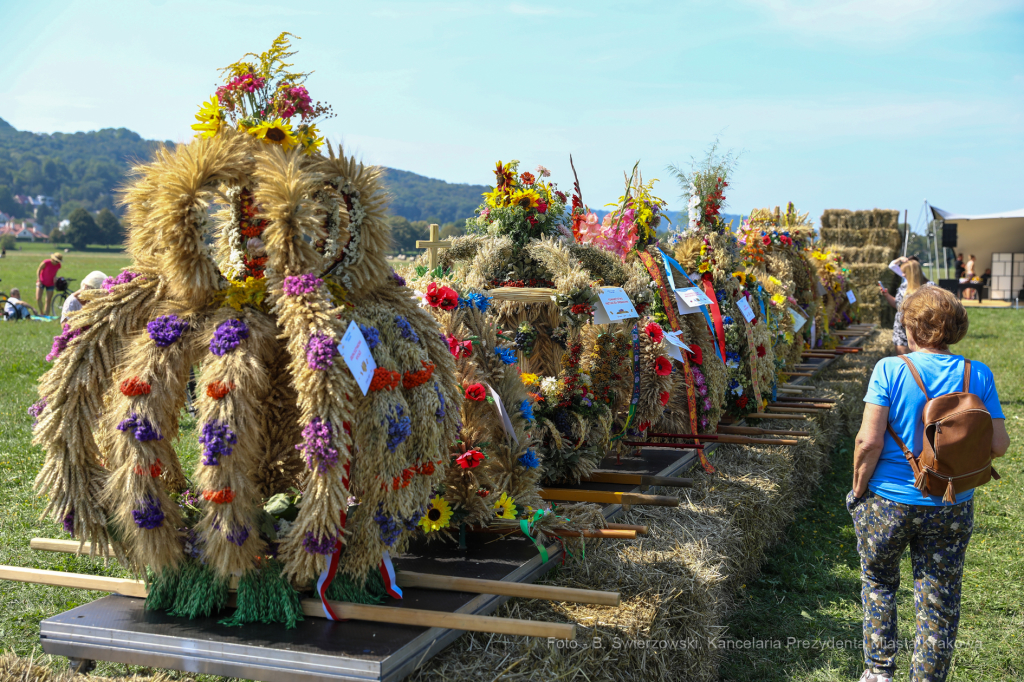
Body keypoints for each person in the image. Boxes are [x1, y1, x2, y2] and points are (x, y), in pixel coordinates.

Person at [850, 287, 1009, 682]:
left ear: (910, 327)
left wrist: (858, 489)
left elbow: (868, 442)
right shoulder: (978, 374)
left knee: (879, 583)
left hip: (888, 500)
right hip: (951, 502)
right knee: (939, 597)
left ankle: (878, 671)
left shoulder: (890, 369)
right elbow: (999, 445)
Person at [881, 258, 930, 355]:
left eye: (905, 273)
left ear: (913, 273)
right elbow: (897, 305)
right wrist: (887, 295)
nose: (903, 275)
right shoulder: (903, 287)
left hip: (921, 331)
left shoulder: (929, 287)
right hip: (901, 331)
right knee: (904, 361)